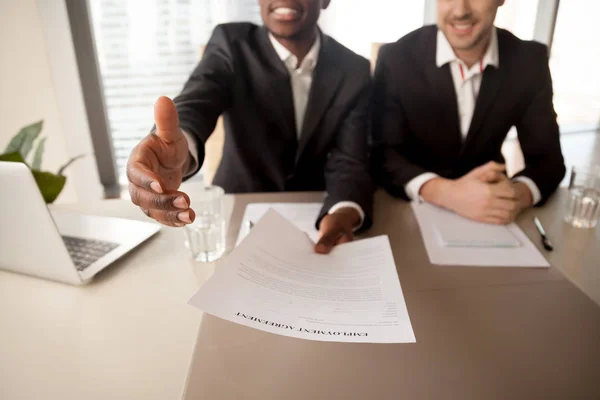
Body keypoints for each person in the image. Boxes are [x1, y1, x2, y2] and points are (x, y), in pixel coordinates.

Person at [127, 0, 373, 254]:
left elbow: (350, 158)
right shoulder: (231, 43)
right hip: (238, 212)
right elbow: (200, 97)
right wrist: (179, 147)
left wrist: (344, 211)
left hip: (316, 213)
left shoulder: (354, 69)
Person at [371, 0, 565, 224]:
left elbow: (549, 161)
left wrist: (515, 196)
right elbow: (382, 155)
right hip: (409, 210)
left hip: (490, 211)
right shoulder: (396, 59)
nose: (460, 11)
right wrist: (445, 192)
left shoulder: (529, 60)